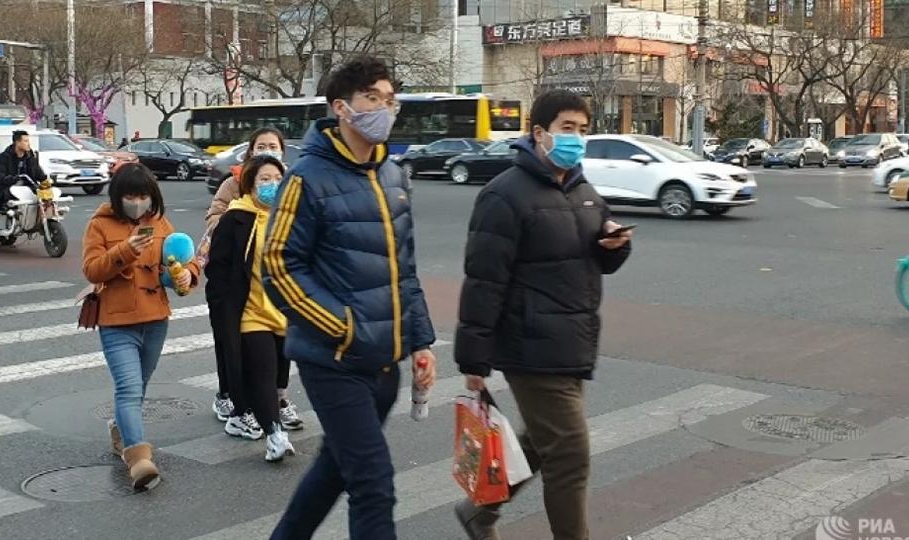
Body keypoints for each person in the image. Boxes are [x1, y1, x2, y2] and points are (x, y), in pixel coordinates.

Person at [264, 56, 437, 539]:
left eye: (390, 100)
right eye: (372, 99)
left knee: (334, 469)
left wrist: (420, 341)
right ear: (342, 108)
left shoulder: (393, 176)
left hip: (383, 363)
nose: (384, 109)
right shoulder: (307, 178)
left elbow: (403, 268)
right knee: (373, 484)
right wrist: (342, 327)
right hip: (333, 361)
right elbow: (277, 264)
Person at [452, 89, 633, 540]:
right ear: (539, 133)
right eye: (567, 128)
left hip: (573, 341)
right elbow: (483, 280)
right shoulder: (504, 195)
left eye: (583, 130)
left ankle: (478, 513)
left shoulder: (583, 190)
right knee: (569, 455)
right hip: (529, 345)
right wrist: (473, 358)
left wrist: (614, 246)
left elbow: (594, 258)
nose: (576, 139)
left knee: (539, 442)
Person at [81, 163, 200, 491]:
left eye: (143, 196)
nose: (137, 203)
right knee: (129, 389)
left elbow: (183, 257)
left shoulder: (159, 222)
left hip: (155, 319)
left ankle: (121, 431)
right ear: (118, 197)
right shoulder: (100, 224)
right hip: (117, 322)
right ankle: (138, 459)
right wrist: (125, 250)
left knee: (140, 386)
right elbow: (92, 270)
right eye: (130, 197)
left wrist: (186, 273)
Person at [201, 127, 303, 431]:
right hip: (242, 291)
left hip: (277, 298)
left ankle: (275, 403)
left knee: (277, 356)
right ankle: (239, 405)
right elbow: (215, 224)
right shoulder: (235, 191)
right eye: (262, 146)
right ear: (251, 150)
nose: (268, 150)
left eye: (273, 145)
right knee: (239, 352)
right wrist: (241, 221)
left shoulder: (288, 195)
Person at [0, 130, 47, 212]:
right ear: (17, 142)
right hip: (9, 189)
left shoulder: (30, 157)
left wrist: (46, 181)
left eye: (28, 141)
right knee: (10, 195)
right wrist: (14, 178)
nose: (28, 144)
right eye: (25, 141)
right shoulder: (4, 157)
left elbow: (38, 172)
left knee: (43, 197)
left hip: (27, 188)